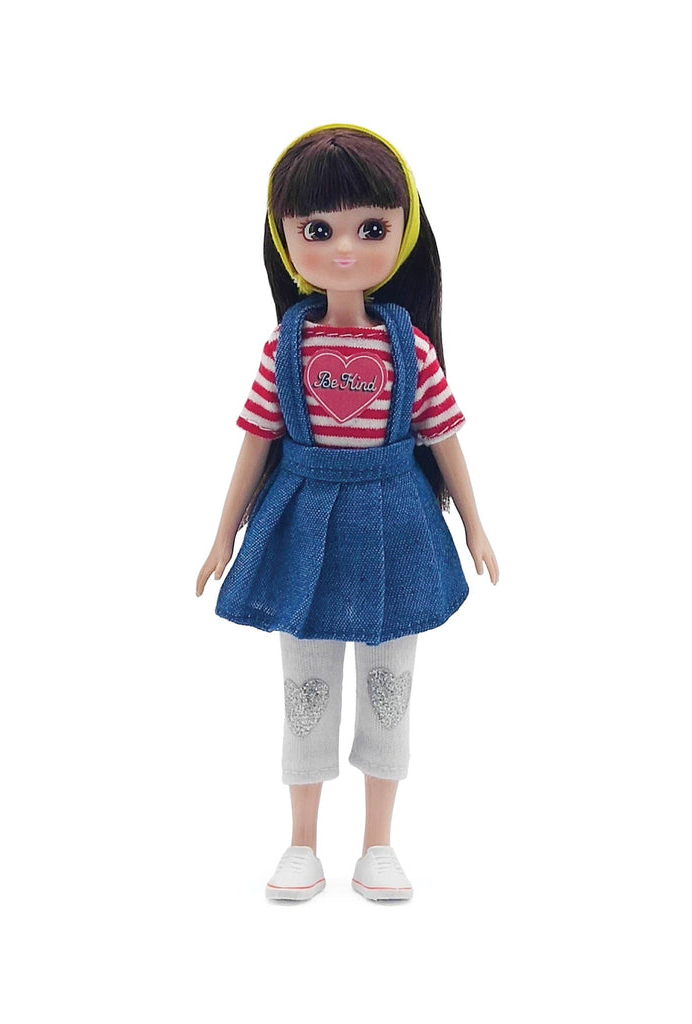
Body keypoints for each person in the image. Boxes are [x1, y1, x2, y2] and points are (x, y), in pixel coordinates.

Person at [196, 125, 499, 902]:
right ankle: (302, 843)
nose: (342, 250)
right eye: (316, 230)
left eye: (370, 229)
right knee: (305, 686)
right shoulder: (285, 349)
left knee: (391, 683)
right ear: (286, 239)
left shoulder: (410, 349)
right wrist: (224, 533)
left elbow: (443, 436)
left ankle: (378, 845)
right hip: (302, 521)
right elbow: (257, 439)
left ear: (403, 234)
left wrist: (474, 524)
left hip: (398, 523)